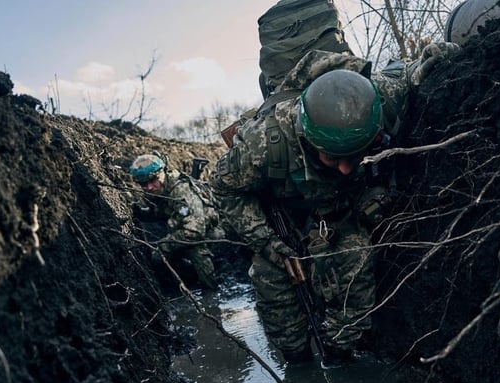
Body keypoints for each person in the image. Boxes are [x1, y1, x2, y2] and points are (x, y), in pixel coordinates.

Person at [210, 45, 457, 365]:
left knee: (355, 267)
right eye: (332, 158)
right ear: (306, 137)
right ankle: (297, 361)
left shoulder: (377, 100)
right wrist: (269, 243)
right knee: (278, 303)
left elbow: (409, 73)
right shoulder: (264, 143)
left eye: (354, 156)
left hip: (342, 213)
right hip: (285, 220)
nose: (344, 168)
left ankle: (341, 355)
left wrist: (432, 62)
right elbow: (224, 189)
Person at [130, 153, 223, 290]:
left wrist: (164, 246)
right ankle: (185, 280)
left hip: (212, 234)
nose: (149, 187)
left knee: (195, 250)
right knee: (161, 257)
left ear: (162, 173)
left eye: (152, 180)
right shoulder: (160, 189)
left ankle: (211, 291)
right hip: (183, 231)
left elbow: (195, 231)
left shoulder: (181, 191)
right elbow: (161, 212)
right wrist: (141, 213)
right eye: (143, 184)